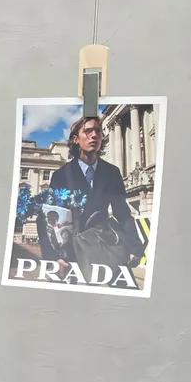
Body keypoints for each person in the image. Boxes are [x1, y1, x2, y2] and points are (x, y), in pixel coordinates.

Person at [38, 116, 143, 276]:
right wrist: (53, 257)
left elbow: (122, 213)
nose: (94, 135)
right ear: (75, 139)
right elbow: (46, 218)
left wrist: (135, 247)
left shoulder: (112, 172)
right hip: (72, 253)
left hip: (106, 246)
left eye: (98, 131)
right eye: (88, 131)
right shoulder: (61, 175)